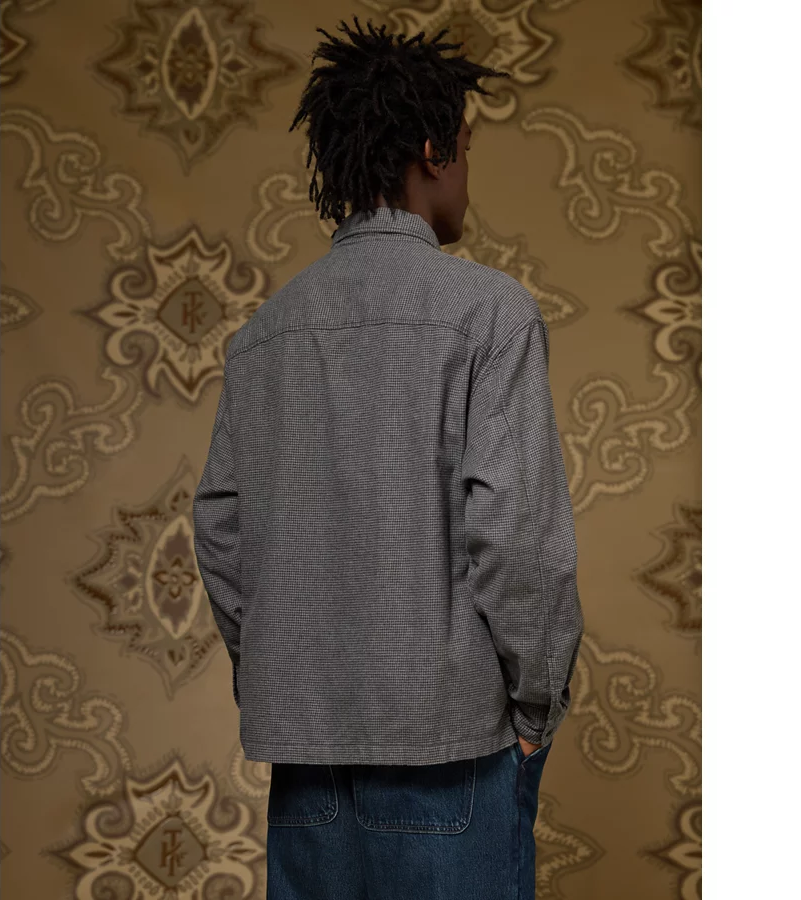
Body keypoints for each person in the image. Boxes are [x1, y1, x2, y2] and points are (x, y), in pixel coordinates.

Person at [193, 15, 584, 899]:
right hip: (450, 754)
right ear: (434, 152)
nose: (468, 174)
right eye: (467, 151)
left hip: (306, 764)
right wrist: (536, 707)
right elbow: (516, 537)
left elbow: (220, 531)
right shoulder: (489, 311)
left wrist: (281, 676)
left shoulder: (263, 337)